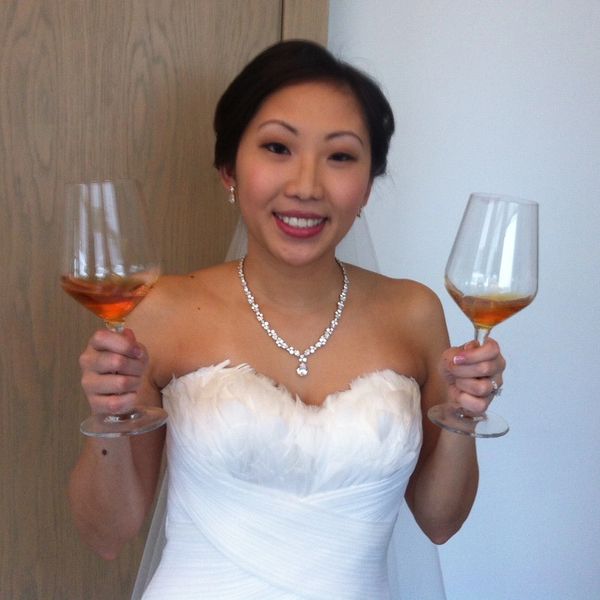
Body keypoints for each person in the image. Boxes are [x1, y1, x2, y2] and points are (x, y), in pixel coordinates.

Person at [69, 40, 506, 599]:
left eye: (341, 156)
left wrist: (465, 417)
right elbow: (108, 534)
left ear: (368, 184)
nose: (306, 186)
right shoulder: (162, 311)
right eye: (278, 147)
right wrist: (108, 415)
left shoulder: (414, 312)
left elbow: (440, 521)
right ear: (228, 168)